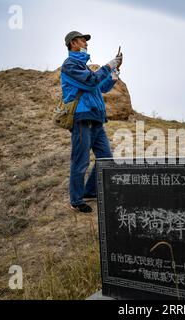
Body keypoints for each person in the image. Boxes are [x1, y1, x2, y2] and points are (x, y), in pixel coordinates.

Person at [61, 31, 122, 213]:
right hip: (82, 119)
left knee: (106, 159)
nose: (86, 43)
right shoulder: (70, 65)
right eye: (82, 40)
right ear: (73, 43)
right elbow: (91, 82)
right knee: (80, 162)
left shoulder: (83, 66)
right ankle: (76, 200)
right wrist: (109, 64)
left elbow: (101, 86)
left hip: (95, 119)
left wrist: (115, 71)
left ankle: (90, 191)